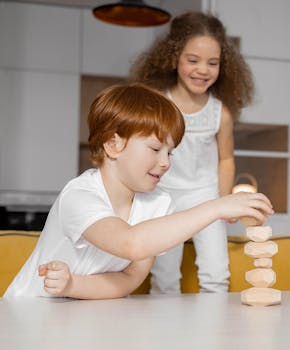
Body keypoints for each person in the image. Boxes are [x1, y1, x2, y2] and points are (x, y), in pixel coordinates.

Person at [3, 83, 272, 299]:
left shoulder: (158, 202)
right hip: (26, 315)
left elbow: (129, 278)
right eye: (156, 149)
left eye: (170, 152)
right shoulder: (80, 195)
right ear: (113, 145)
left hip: (83, 321)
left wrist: (73, 285)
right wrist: (217, 205)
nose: (166, 162)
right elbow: (130, 243)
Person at [130, 12, 254, 293]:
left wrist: (224, 202)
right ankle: (167, 335)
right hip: (164, 197)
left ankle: (215, 333)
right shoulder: (160, 105)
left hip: (205, 197)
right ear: (173, 57)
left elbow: (226, 159)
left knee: (216, 275)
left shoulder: (219, 113)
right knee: (164, 278)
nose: (203, 70)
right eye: (193, 60)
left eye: (213, 63)